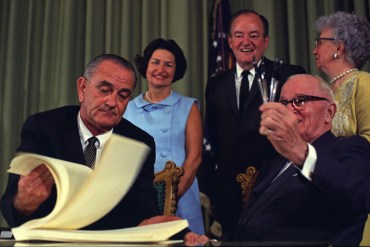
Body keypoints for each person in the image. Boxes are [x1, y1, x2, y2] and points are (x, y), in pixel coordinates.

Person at [0, 54, 208, 244]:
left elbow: (143, 212)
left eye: (123, 95)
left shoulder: (140, 142)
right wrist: (23, 202)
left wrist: (174, 229)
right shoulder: (44, 128)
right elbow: (11, 205)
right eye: (105, 90)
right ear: (82, 88)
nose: (112, 102)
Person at [201, 9, 306, 238]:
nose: (245, 42)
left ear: (266, 40)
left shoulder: (289, 76)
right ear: (229, 41)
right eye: (238, 35)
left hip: (274, 192)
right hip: (228, 197)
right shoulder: (216, 84)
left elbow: (302, 132)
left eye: (254, 35)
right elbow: (214, 139)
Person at [233, 74, 370, 245]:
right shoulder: (276, 160)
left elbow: (360, 193)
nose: (289, 110)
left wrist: (303, 155)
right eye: (283, 103)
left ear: (329, 112)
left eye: (300, 100)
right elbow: (250, 219)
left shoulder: (349, 147)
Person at [123, 38, 204, 234]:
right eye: (155, 62)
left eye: (168, 64)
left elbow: (194, 158)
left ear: (176, 71)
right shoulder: (127, 108)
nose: (161, 69)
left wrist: (170, 198)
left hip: (180, 195)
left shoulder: (188, 106)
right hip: (138, 198)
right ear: (146, 66)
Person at [312, 11, 370, 244]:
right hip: (328, 194)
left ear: (340, 47)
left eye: (320, 42)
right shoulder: (325, 90)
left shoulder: (363, 83)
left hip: (358, 202)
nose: (315, 48)